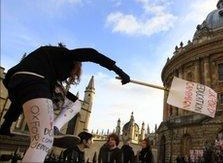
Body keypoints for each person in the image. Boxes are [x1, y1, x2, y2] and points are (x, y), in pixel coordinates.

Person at [0, 43, 130, 162]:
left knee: (74, 103)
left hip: (16, 84)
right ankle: (53, 130)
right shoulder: (66, 55)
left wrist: (6, 125)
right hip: (35, 81)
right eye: (70, 74)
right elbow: (91, 53)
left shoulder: (45, 62)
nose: (68, 77)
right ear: (75, 64)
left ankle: (53, 129)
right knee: (43, 141)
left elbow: (22, 97)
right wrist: (119, 71)